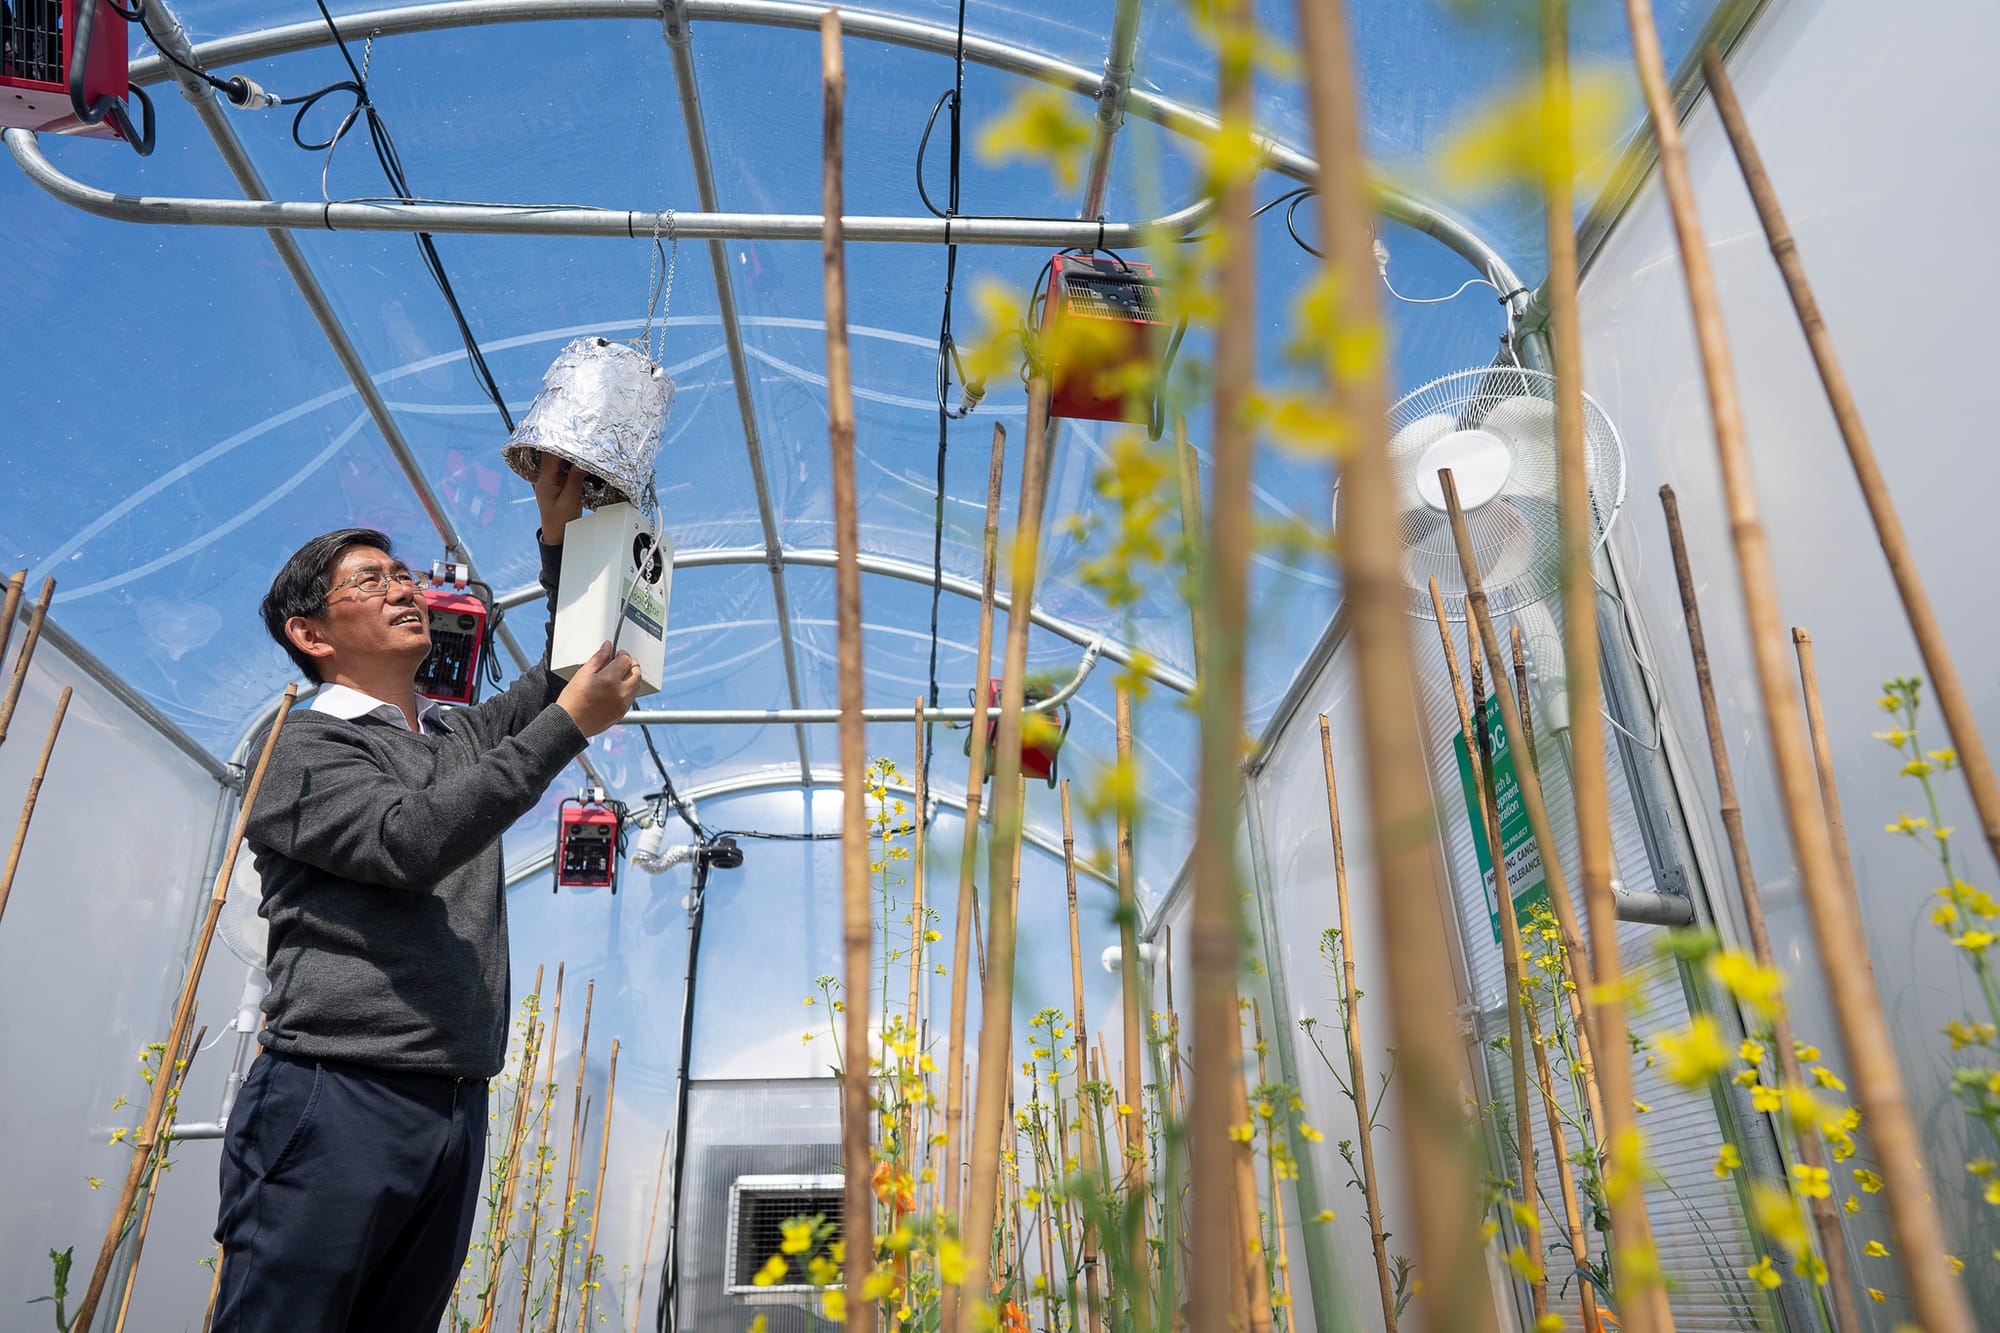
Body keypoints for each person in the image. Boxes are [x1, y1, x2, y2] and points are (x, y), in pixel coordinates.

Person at [210, 456, 646, 1333]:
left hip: (452, 1100)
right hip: (337, 1094)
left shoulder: (449, 734)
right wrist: (567, 726)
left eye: (402, 573)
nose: (404, 589)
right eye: (371, 581)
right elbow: (407, 840)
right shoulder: (298, 747)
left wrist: (563, 541)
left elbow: (565, 672)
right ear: (312, 633)